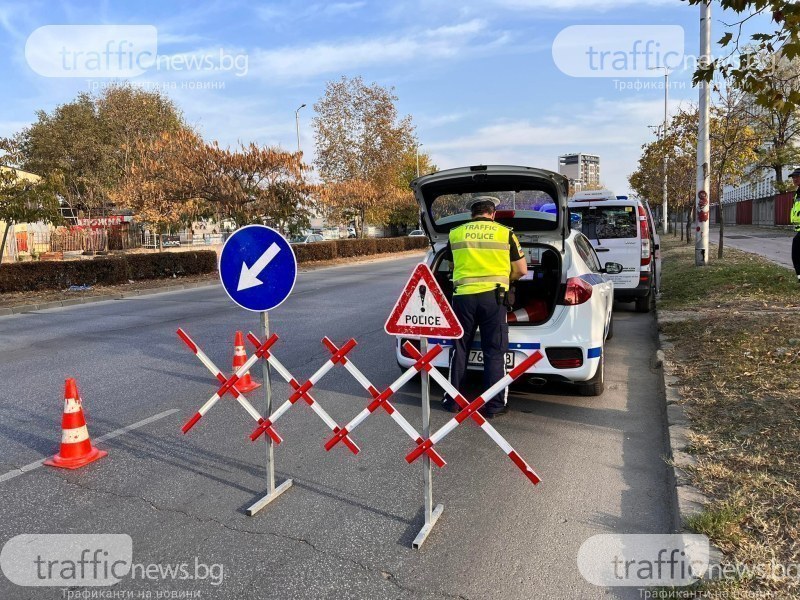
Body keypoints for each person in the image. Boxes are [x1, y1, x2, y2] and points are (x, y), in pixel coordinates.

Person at [443, 196, 528, 418]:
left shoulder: (455, 233)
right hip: (494, 298)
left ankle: (452, 401)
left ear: (472, 214)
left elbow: (451, 265)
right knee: (494, 351)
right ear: (493, 213)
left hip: (463, 298)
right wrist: (504, 279)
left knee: (459, 349)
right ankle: (495, 405)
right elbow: (521, 269)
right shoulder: (505, 233)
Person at [790, 168, 800, 284]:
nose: (794, 179)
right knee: (796, 255)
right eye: (793, 177)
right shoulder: (798, 192)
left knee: (796, 254)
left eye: (797, 177)